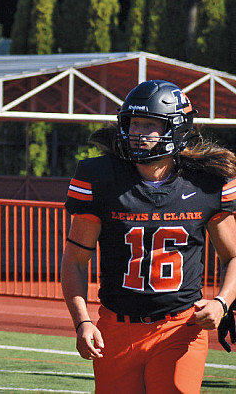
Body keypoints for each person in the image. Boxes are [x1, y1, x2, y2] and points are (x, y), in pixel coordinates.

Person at [61, 79, 236, 394]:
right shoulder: (98, 178)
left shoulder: (207, 182)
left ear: (178, 128)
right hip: (116, 327)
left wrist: (223, 302)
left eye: (150, 125)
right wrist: (82, 321)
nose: (138, 132)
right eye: (134, 123)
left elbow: (233, 255)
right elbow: (75, 260)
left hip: (180, 327)